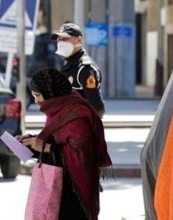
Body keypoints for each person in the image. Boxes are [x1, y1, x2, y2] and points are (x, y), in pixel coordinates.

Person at [18, 68, 112, 220]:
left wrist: (45, 146)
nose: (36, 101)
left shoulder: (77, 114)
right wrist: (28, 142)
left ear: (50, 93)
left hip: (74, 192)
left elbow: (81, 154)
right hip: (56, 188)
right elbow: (54, 142)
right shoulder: (57, 110)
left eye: (38, 95)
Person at [51, 22, 105, 118]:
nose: (60, 43)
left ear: (79, 40)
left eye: (65, 39)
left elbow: (97, 107)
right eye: (59, 39)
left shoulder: (85, 68)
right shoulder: (68, 63)